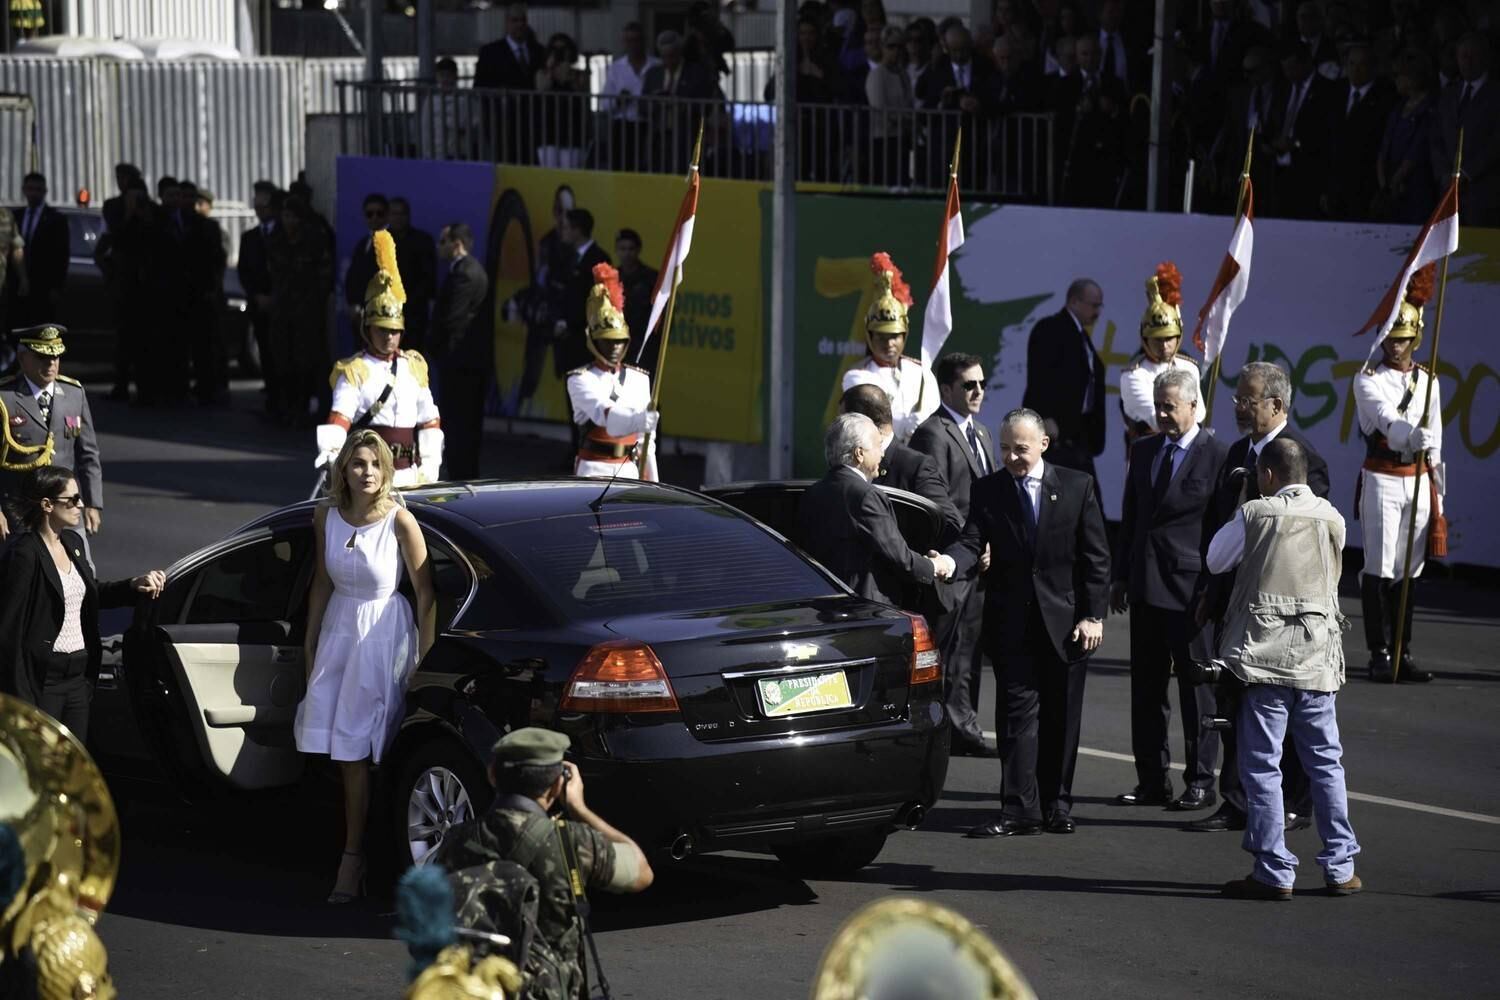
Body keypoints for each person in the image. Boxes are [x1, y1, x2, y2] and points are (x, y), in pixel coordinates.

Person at [1206, 438, 1362, 900]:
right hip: (1317, 658)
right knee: (1325, 764)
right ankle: (1341, 866)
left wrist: (1242, 504)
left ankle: (1274, 870)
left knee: (1262, 766)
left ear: (1268, 475)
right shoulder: (1332, 517)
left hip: (1264, 659)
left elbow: (1215, 559)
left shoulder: (1255, 513)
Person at [944, 408, 1110, 837]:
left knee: (1061, 719)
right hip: (1012, 623)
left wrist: (1093, 615)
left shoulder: (1077, 486)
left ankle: (1057, 805)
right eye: (1005, 449)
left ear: (1042, 445)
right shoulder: (989, 490)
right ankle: (1019, 810)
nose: (1011, 457)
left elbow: (1095, 557)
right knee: (1016, 719)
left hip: (1068, 625)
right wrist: (949, 562)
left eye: (1020, 449)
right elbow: (970, 540)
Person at [296, 430, 435, 903]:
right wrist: (311, 644)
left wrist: (423, 662)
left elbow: (425, 595)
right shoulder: (325, 516)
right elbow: (320, 582)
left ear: (387, 470)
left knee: (365, 749)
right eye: (358, 463)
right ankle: (360, 851)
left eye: (376, 464)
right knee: (346, 753)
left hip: (382, 638)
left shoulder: (400, 520)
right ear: (344, 470)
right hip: (338, 633)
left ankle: (357, 858)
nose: (368, 472)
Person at [1188, 360, 1325, 834]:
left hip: (1282, 609)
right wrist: (1209, 592)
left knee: (1287, 708)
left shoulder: (1303, 459)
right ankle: (1236, 799)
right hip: (1234, 601)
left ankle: (1296, 803)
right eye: (1238, 399)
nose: (1239, 408)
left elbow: (1305, 539)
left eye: (1248, 400)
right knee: (1233, 701)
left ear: (1277, 404)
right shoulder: (1238, 452)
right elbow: (1217, 524)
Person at [433, 728, 653, 999]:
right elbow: (641, 872)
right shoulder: (569, 840)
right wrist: (579, 808)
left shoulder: (455, 840)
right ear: (558, 784)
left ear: (492, 775)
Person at [1111, 368, 1228, 811]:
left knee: (1197, 692)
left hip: (1190, 594)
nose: (1161, 414)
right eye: (1158, 406)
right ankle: (1151, 780)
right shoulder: (1144, 450)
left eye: (1170, 407)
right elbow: (1131, 516)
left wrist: (1213, 590)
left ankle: (1200, 780)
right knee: (1147, 691)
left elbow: (1222, 531)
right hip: (1145, 588)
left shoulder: (1217, 455)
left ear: (1194, 406)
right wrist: (1121, 576)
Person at [0, 465, 164, 739]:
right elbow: (8, 632)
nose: (80, 505)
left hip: (78, 679)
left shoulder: (72, 542)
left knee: (73, 758)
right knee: (45, 761)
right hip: (44, 682)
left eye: (81, 498)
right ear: (47, 505)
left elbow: (91, 594)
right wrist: (22, 699)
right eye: (73, 499)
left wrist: (133, 585)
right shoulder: (25, 554)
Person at [1354, 267, 1441, 684]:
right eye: (1390, 337)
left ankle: (1402, 651)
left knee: (1410, 570)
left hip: (1419, 479)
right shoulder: (1367, 380)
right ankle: (1379, 652)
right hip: (1383, 478)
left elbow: (1436, 439)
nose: (1395, 345)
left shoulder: (1429, 381)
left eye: (1403, 338)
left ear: (1416, 338)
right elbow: (1385, 419)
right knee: (1380, 565)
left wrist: (1439, 492)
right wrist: (1410, 434)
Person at [909, 353, 997, 758]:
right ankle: (950, 728)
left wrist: (992, 541)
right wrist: (971, 545)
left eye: (982, 383)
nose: (978, 391)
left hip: (980, 562)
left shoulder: (982, 432)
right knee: (949, 647)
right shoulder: (933, 433)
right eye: (969, 385)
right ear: (946, 389)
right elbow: (938, 501)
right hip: (952, 561)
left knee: (970, 649)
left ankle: (964, 726)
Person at [319, 231, 443, 489]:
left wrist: (430, 467)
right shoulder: (354, 370)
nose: (389, 336)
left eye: (394, 331)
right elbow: (340, 418)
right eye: (382, 329)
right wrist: (332, 457)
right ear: (368, 330)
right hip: (367, 478)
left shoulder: (413, 367)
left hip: (410, 477)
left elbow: (429, 419)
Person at [796, 412, 948, 607]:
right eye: (878, 446)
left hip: (824, 604)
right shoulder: (866, 495)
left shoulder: (813, 492)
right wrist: (934, 566)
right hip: (867, 608)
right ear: (859, 453)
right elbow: (900, 557)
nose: (882, 453)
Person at [0, 326, 104, 542]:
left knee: (79, 561)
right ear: (22, 358)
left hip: (67, 509)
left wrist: (93, 502)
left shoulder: (74, 393)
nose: (51, 364)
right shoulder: (5, 397)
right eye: (42, 357)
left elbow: (88, 454)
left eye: (55, 357)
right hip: (20, 513)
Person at [567, 263, 658, 481]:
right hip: (593, 469)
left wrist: (652, 482)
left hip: (629, 469)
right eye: (607, 341)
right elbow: (604, 414)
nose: (615, 347)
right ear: (594, 341)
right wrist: (638, 420)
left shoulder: (639, 378)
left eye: (619, 341)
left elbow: (646, 443)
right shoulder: (580, 379)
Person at [841, 253, 939, 443]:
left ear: (904, 335)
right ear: (870, 336)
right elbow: (871, 420)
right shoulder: (857, 376)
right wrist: (903, 424)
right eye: (881, 337)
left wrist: (925, 425)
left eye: (894, 336)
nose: (889, 343)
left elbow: (935, 414)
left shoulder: (921, 372)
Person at [1021, 278, 1106, 484]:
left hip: (1080, 437)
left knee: (1087, 497)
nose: (1097, 312)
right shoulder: (1051, 329)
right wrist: (1044, 417)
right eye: (1094, 305)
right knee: (1058, 495)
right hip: (1057, 437)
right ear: (1074, 301)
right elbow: (1038, 377)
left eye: (1099, 306)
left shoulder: (1082, 336)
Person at [1118, 264, 1205, 447]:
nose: (1164, 345)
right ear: (1145, 339)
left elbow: (1199, 414)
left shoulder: (1190, 367)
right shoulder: (1133, 375)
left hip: (1191, 449)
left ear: (1178, 336)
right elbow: (1160, 420)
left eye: (1169, 338)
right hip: (1150, 453)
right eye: (1157, 339)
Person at [267, 195, 335, 426]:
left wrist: (313, 302)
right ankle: (286, 407)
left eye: (292, 216)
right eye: (285, 216)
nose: (288, 221)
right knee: (282, 360)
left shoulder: (314, 240)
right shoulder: (276, 240)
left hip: (307, 312)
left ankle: (305, 407)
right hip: (282, 310)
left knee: (306, 362)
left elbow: (324, 276)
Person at [432, 223, 490, 482]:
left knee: (461, 424)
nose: (439, 247)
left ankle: (462, 476)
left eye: (443, 241)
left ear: (456, 244)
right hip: (461, 363)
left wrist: (434, 345)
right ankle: (461, 472)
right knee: (460, 423)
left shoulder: (466, 273)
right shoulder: (462, 270)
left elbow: (451, 318)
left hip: (462, 364)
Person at [1432, 33, 1500, 227]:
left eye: (1473, 56)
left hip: (1484, 193)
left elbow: (1496, 142)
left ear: (1485, 58)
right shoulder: (1448, 94)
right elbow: (1435, 137)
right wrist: (1444, 173)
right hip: (1447, 193)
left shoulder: (1496, 94)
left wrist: (1467, 173)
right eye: (1463, 56)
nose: (1468, 62)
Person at [1323, 43, 1397, 221]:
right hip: (1336, 188)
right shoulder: (1335, 92)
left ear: (1373, 67)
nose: (1355, 70)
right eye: (1351, 64)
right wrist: (1326, 187)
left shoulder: (1386, 97)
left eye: (1362, 64)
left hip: (1367, 188)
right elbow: (1327, 141)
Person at [239, 181, 281, 410]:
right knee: (264, 349)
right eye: (257, 206)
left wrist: (275, 296)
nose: (260, 210)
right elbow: (244, 271)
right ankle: (272, 396)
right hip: (258, 303)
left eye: (264, 205)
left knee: (282, 353)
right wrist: (256, 295)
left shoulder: (284, 233)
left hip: (282, 304)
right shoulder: (250, 238)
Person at [11, 172, 69, 328]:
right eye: (30, 189)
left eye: (38, 190)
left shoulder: (56, 219)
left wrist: (56, 287)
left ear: (44, 192)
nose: (34, 194)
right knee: (17, 327)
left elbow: (62, 255)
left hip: (43, 286)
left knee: (40, 328)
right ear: (24, 190)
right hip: (17, 284)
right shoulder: (16, 216)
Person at [603, 22, 661, 171]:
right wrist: (618, 101)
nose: (633, 45)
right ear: (624, 42)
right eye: (629, 40)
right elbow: (604, 103)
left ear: (644, 41)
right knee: (620, 167)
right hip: (622, 127)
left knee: (648, 167)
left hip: (650, 126)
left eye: (636, 40)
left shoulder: (657, 65)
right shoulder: (616, 68)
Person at [388, 197, 438, 355]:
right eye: (394, 214)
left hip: (414, 314)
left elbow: (428, 279)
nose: (398, 218)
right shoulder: (379, 241)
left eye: (401, 214)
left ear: (408, 216)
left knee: (411, 357)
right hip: (385, 312)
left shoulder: (423, 241)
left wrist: (407, 302)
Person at [535, 32, 590, 169]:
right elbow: (542, 88)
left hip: (573, 130)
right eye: (555, 49)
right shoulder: (542, 72)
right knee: (549, 171)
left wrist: (569, 72)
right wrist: (550, 68)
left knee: (570, 171)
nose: (559, 52)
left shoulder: (580, 74)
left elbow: (582, 91)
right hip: (548, 129)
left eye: (563, 49)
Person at [344, 193, 389, 341]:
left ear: (387, 215)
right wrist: (355, 306)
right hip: (361, 319)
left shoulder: (393, 243)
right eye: (369, 214)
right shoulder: (362, 244)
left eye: (379, 213)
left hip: (383, 318)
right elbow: (353, 277)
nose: (374, 218)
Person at [614, 229, 659, 374]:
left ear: (638, 250)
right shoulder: (612, 278)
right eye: (622, 249)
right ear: (617, 250)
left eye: (631, 249)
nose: (627, 253)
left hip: (643, 347)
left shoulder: (652, 278)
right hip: (617, 346)